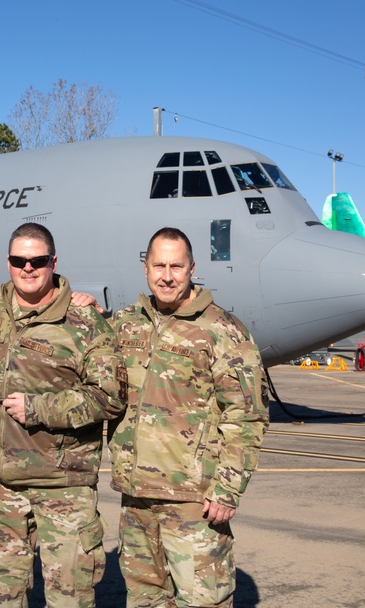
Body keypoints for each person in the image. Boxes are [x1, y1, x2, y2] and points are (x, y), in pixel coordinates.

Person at [109, 227, 269, 608]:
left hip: (194, 503)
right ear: (145, 268)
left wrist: (228, 488)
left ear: (192, 268)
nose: (167, 275)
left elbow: (247, 415)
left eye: (177, 266)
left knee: (203, 601)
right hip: (136, 498)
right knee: (144, 599)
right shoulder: (126, 324)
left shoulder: (222, 330)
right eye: (159, 265)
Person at [0, 222, 126, 608]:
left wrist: (40, 408)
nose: (28, 268)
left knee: (69, 600)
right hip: (1, 489)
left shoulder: (85, 322)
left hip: (64, 489)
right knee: (0, 598)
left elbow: (109, 396)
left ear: (53, 262)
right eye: (18, 260)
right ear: (7, 262)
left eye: (37, 260)